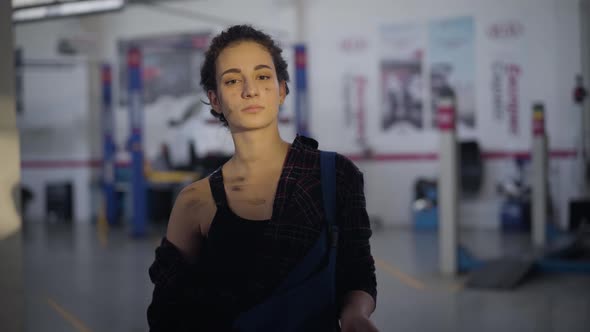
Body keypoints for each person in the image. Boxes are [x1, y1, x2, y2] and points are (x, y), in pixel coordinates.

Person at [147, 25, 377, 332]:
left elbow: (358, 272)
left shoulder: (334, 175)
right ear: (215, 100)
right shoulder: (195, 202)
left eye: (263, 76)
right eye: (232, 80)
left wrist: (355, 316)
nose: (250, 90)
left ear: (282, 89)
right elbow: (167, 312)